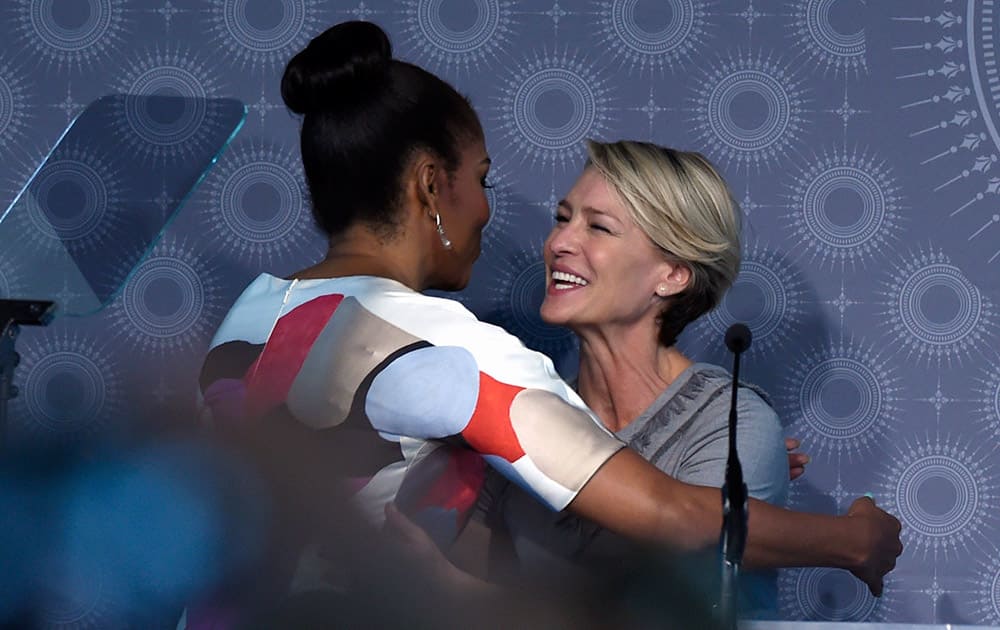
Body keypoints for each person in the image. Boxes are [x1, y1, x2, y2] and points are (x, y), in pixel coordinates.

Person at [193, 19, 900, 625]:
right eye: (483, 179)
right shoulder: (456, 353)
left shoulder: (244, 319)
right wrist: (851, 537)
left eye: (598, 226)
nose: (490, 211)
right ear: (432, 187)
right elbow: (673, 517)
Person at [467, 140, 790, 616]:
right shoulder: (528, 411)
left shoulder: (733, 425)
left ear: (673, 274)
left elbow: (676, 609)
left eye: (598, 227)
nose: (559, 243)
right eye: (562, 218)